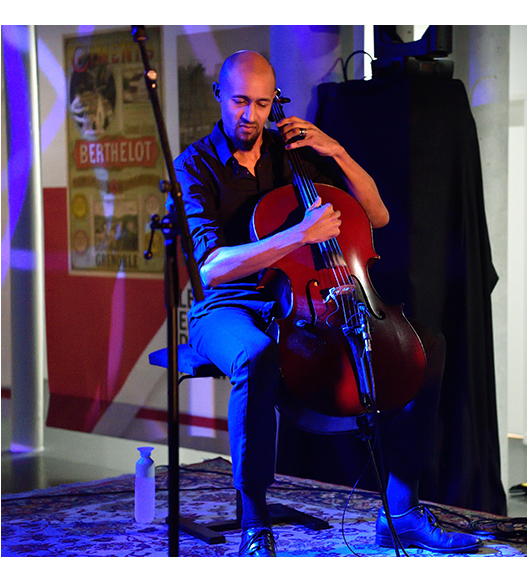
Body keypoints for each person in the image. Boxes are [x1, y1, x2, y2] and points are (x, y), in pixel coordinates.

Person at [173, 50, 480, 557]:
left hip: (306, 298)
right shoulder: (195, 166)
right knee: (256, 355)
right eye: (240, 102)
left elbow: (377, 215)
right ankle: (255, 519)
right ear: (219, 98)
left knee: (427, 348)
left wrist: (336, 151)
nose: (250, 115)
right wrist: (296, 235)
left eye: (262, 103)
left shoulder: (293, 152)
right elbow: (211, 267)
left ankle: (401, 511)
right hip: (227, 305)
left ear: (274, 102)